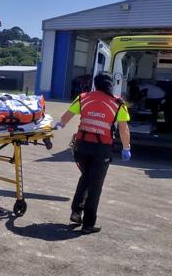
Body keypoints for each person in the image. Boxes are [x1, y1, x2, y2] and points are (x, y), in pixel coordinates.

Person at [54, 72, 131, 235]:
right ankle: (88, 224)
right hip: (101, 150)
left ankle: (76, 211)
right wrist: (126, 148)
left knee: (86, 178)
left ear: (95, 84)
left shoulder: (83, 98)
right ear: (110, 85)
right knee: (95, 186)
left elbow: (65, 118)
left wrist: (59, 125)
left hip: (81, 147)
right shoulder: (118, 103)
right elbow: (123, 130)